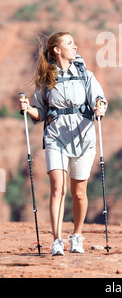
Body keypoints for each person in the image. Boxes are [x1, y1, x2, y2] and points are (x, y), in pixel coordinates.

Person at [19, 32, 107, 256]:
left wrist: (100, 107)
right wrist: (29, 109)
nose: (75, 46)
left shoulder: (85, 75)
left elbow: (99, 99)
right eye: (69, 43)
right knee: (58, 188)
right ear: (57, 50)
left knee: (79, 193)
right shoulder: (46, 79)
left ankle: (77, 236)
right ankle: (57, 240)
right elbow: (40, 111)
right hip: (55, 137)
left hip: (83, 137)